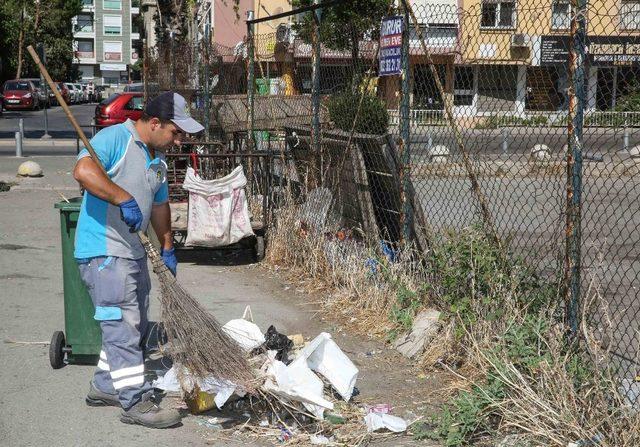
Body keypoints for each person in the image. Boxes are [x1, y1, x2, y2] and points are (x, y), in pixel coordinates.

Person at [72, 92, 204, 428]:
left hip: (133, 253)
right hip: (104, 251)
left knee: (136, 325)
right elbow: (84, 170)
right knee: (123, 325)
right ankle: (135, 402)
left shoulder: (156, 158)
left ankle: (105, 386)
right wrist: (122, 197)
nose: (178, 140)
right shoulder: (116, 137)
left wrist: (168, 246)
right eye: (175, 132)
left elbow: (159, 207)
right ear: (155, 122)